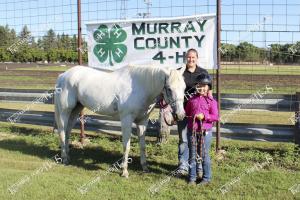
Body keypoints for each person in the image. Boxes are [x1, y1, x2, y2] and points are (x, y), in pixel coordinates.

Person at [177, 48, 210, 175]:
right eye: (188, 57)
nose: (190, 59)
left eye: (193, 57)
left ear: (197, 58)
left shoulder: (202, 72)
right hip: (182, 111)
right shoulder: (179, 72)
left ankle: (198, 165)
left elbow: (209, 91)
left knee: (197, 139)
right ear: (186, 58)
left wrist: (209, 108)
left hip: (198, 113)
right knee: (184, 139)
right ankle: (183, 165)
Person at [185, 73, 219, 185]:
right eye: (199, 85)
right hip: (192, 131)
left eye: (204, 85)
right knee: (192, 155)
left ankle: (206, 178)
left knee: (204, 155)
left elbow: (216, 117)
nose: (202, 87)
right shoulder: (191, 100)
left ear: (209, 87)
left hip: (205, 132)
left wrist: (205, 117)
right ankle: (192, 178)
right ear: (196, 86)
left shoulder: (212, 102)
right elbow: (187, 113)